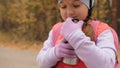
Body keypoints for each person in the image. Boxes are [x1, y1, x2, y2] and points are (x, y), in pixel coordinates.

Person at [36, 0, 119, 68]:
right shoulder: (56, 30)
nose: (69, 12)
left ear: (89, 6)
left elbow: (106, 65)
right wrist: (55, 52)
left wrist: (76, 37)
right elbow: (41, 62)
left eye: (76, 5)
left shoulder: (101, 31)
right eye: (63, 7)